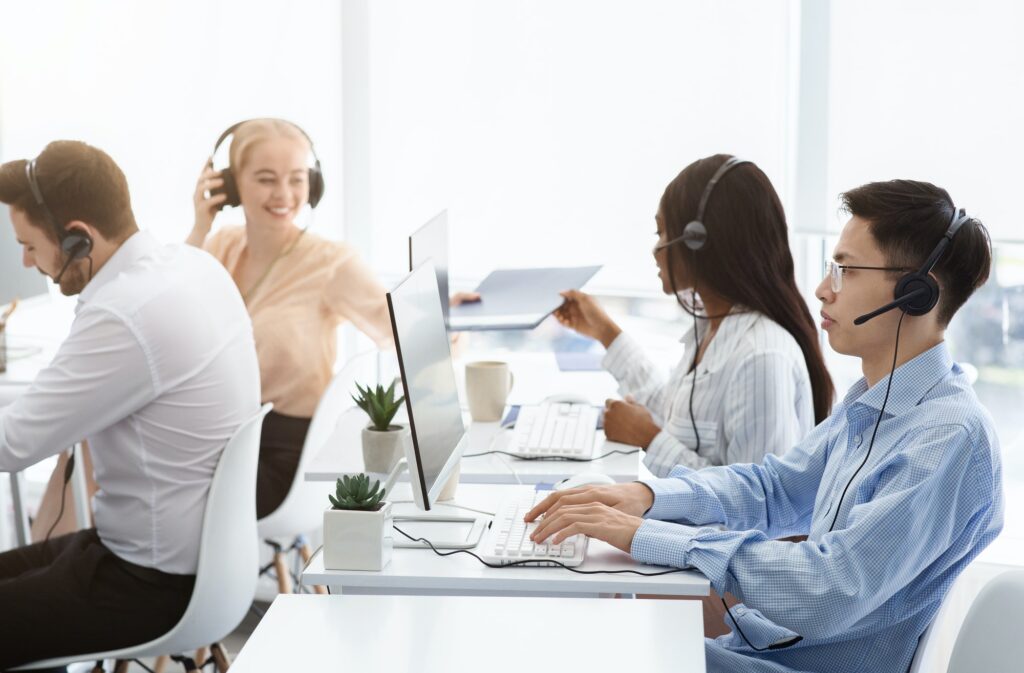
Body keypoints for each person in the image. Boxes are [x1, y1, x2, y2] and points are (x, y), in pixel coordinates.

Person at [528, 179, 1002, 673]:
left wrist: (645, 534)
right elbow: (774, 489)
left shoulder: (947, 438)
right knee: (576, 632)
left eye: (844, 270)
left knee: (577, 648)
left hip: (797, 665)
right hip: (766, 648)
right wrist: (649, 500)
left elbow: (827, 588)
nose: (823, 289)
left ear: (915, 293)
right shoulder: (876, 406)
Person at [0, 140, 260, 668]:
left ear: (78, 237)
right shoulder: (192, 267)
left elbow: (10, 444)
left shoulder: (124, 314)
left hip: (149, 587)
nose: (27, 262)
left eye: (29, 245)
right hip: (193, 568)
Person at [555, 154, 833, 477]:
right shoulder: (711, 329)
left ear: (697, 240)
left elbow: (758, 505)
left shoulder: (760, 357)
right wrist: (604, 331)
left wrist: (649, 438)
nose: (656, 250)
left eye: (661, 233)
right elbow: (675, 411)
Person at [188, 118, 393, 519]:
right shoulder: (221, 246)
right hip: (220, 441)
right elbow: (169, 315)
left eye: (297, 179)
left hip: (285, 458)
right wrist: (200, 225)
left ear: (312, 185)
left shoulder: (331, 263)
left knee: (156, 490)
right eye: (266, 179)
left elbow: (399, 329)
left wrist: (448, 311)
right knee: (110, 437)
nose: (284, 194)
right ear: (229, 186)